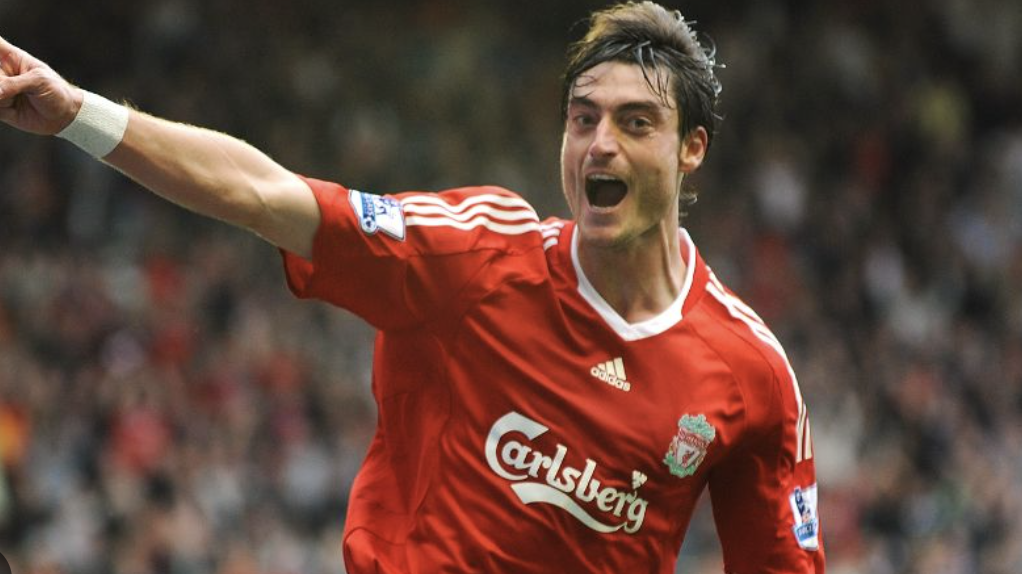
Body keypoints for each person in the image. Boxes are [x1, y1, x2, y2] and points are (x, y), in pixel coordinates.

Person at [0, 1, 824, 572]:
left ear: (692, 149)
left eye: (636, 122)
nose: (599, 144)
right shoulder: (477, 255)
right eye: (583, 118)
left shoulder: (751, 373)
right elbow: (263, 193)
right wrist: (77, 113)